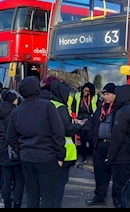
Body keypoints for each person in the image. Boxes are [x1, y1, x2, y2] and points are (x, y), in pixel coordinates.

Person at [6, 76, 65, 208]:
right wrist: (60, 155)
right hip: (47, 157)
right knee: (48, 197)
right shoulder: (47, 106)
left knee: (32, 196)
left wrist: (20, 151)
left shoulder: (17, 111)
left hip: (27, 158)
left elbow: (10, 136)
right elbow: (58, 132)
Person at [106, 84, 130, 208]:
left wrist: (109, 157)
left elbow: (117, 137)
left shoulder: (123, 112)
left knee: (119, 190)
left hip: (121, 157)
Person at [50, 80, 81, 208]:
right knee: (59, 184)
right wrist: (77, 126)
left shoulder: (50, 104)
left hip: (49, 150)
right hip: (63, 152)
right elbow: (66, 129)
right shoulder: (61, 108)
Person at [86, 83, 116, 206]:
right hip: (99, 145)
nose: (105, 96)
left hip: (112, 145)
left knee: (114, 173)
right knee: (99, 173)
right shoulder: (101, 107)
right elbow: (93, 124)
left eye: (108, 94)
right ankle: (99, 196)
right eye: (104, 94)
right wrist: (93, 139)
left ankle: (117, 199)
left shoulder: (118, 109)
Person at [0, 90, 24, 208]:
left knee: (6, 179)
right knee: (19, 179)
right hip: (15, 147)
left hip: (3, 148)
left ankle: (6, 203)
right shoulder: (16, 112)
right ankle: (17, 204)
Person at [71, 82, 98, 167]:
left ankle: (93, 159)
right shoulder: (77, 96)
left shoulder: (95, 97)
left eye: (88, 91)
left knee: (91, 141)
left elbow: (96, 109)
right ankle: (83, 158)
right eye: (84, 91)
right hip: (80, 120)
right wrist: (75, 119)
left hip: (90, 120)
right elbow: (73, 108)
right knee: (82, 141)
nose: (85, 93)